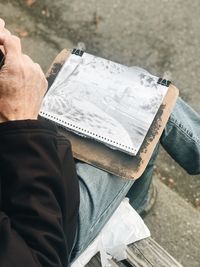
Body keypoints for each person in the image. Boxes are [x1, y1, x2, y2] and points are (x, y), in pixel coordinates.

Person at [0, 18, 199, 267]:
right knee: (147, 104)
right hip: (53, 224)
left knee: (138, 86)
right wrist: (21, 119)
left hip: (23, 177)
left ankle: (137, 202)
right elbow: (42, 258)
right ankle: (137, 203)